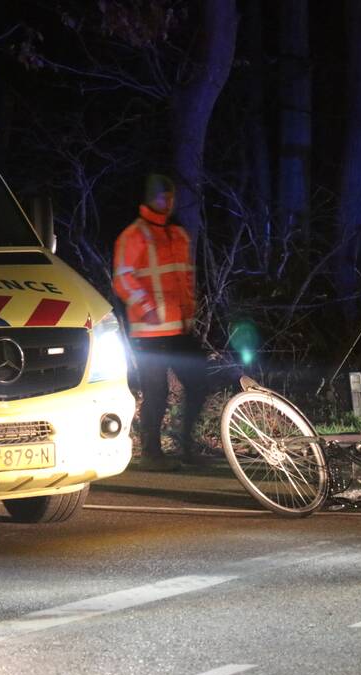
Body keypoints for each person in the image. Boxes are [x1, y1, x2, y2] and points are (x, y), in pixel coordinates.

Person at [112, 174, 210, 472]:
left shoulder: (178, 234)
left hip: (180, 328)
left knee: (199, 383)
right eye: (160, 197)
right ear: (147, 198)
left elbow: (185, 279)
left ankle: (185, 445)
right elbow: (122, 278)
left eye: (169, 197)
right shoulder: (134, 235)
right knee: (157, 393)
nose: (166, 202)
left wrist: (190, 314)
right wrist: (146, 306)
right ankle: (151, 453)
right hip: (148, 331)